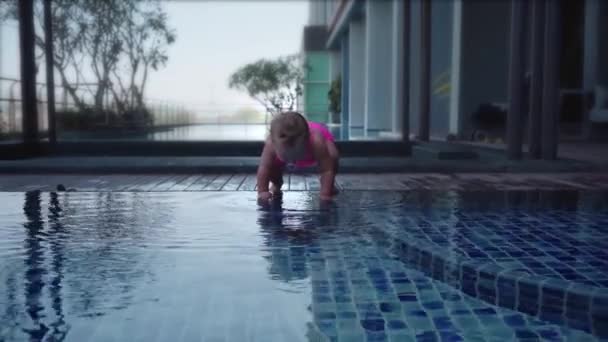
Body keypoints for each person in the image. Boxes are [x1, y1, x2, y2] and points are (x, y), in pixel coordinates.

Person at [256, 111, 339, 201]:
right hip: (294, 140)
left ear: (307, 142)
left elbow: (327, 170)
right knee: (271, 167)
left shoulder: (316, 142)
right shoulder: (271, 145)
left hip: (318, 134)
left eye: (297, 154)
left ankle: (330, 185)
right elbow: (264, 168)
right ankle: (276, 183)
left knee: (332, 156)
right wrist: (262, 191)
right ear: (274, 143)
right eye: (286, 156)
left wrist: (325, 193)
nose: (293, 160)